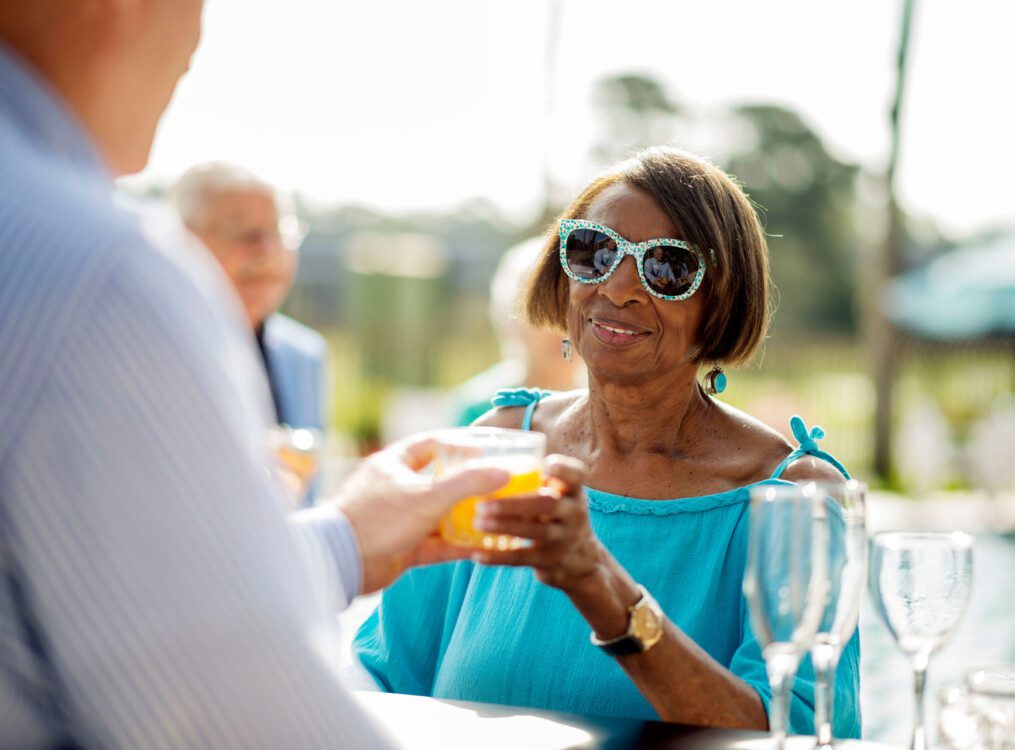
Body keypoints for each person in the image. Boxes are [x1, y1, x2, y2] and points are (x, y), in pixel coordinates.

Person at [0, 3, 545, 747]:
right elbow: (242, 721)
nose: (197, 31)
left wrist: (345, 537)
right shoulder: (100, 277)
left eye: (277, 233)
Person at [354, 146, 861, 737]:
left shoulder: (795, 500)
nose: (618, 288)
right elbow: (382, 679)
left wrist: (598, 583)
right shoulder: (494, 450)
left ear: (722, 302)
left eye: (666, 267)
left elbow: (796, 736)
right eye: (593, 251)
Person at [173, 162, 327, 504]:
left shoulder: (305, 355)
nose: (267, 250)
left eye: (279, 232)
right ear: (184, 240)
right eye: (243, 233)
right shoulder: (159, 351)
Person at [451, 237, 585, 426]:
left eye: (573, 309)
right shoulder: (478, 408)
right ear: (512, 316)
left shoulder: (608, 406)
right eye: (546, 313)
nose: (561, 329)